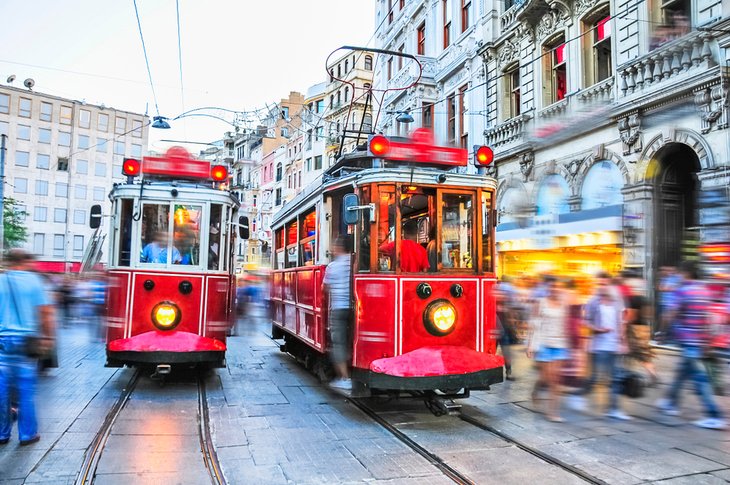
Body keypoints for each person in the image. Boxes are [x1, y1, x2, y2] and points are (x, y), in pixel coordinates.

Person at [657, 261, 726, 430]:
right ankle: (670, 402)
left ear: (686, 273)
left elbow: (670, 314)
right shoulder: (704, 291)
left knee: (700, 380)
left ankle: (714, 414)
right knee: (681, 373)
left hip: (689, 341)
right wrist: (709, 340)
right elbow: (710, 318)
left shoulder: (682, 290)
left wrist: (662, 332)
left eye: (680, 273)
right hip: (699, 341)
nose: (678, 276)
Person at [0, 249, 56, 445]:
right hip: (26, 341)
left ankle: (2, 433)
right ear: (24, 261)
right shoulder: (34, 281)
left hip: (3, 341)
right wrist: (48, 337)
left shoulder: (1, 280)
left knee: (2, 389)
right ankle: (27, 434)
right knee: (26, 389)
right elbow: (46, 312)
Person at [580, 273, 631, 420]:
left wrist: (623, 341)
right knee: (595, 377)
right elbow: (585, 321)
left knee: (615, 378)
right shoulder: (593, 301)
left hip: (614, 345)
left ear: (609, 284)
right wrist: (598, 329)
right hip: (598, 346)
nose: (602, 286)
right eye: (600, 284)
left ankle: (613, 409)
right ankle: (579, 395)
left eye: (605, 284)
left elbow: (622, 321)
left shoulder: (617, 300)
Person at [527, 275, 570, 422]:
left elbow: (566, 325)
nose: (555, 289)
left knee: (556, 380)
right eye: (552, 287)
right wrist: (530, 345)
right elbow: (534, 324)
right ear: (548, 288)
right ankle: (536, 390)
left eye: (557, 287)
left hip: (560, 345)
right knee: (546, 378)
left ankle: (552, 412)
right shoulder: (541, 303)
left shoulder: (564, 304)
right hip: (544, 344)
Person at [323, 236, 353, 391]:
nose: (332, 250)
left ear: (339, 248)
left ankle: (345, 378)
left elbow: (325, 288)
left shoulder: (332, 267)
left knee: (338, 343)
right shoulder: (355, 263)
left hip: (339, 308)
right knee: (352, 340)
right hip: (355, 309)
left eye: (334, 247)